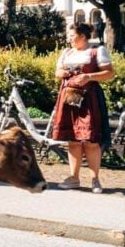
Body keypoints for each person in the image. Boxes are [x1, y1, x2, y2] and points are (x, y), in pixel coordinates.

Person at [51, 23, 115, 194]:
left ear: (83, 37)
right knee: (73, 139)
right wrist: (62, 73)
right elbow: (57, 71)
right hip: (69, 97)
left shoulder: (96, 51)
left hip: (88, 99)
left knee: (91, 141)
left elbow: (110, 73)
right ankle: (74, 178)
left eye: (72, 36)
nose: (69, 38)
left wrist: (89, 76)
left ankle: (95, 179)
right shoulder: (67, 52)